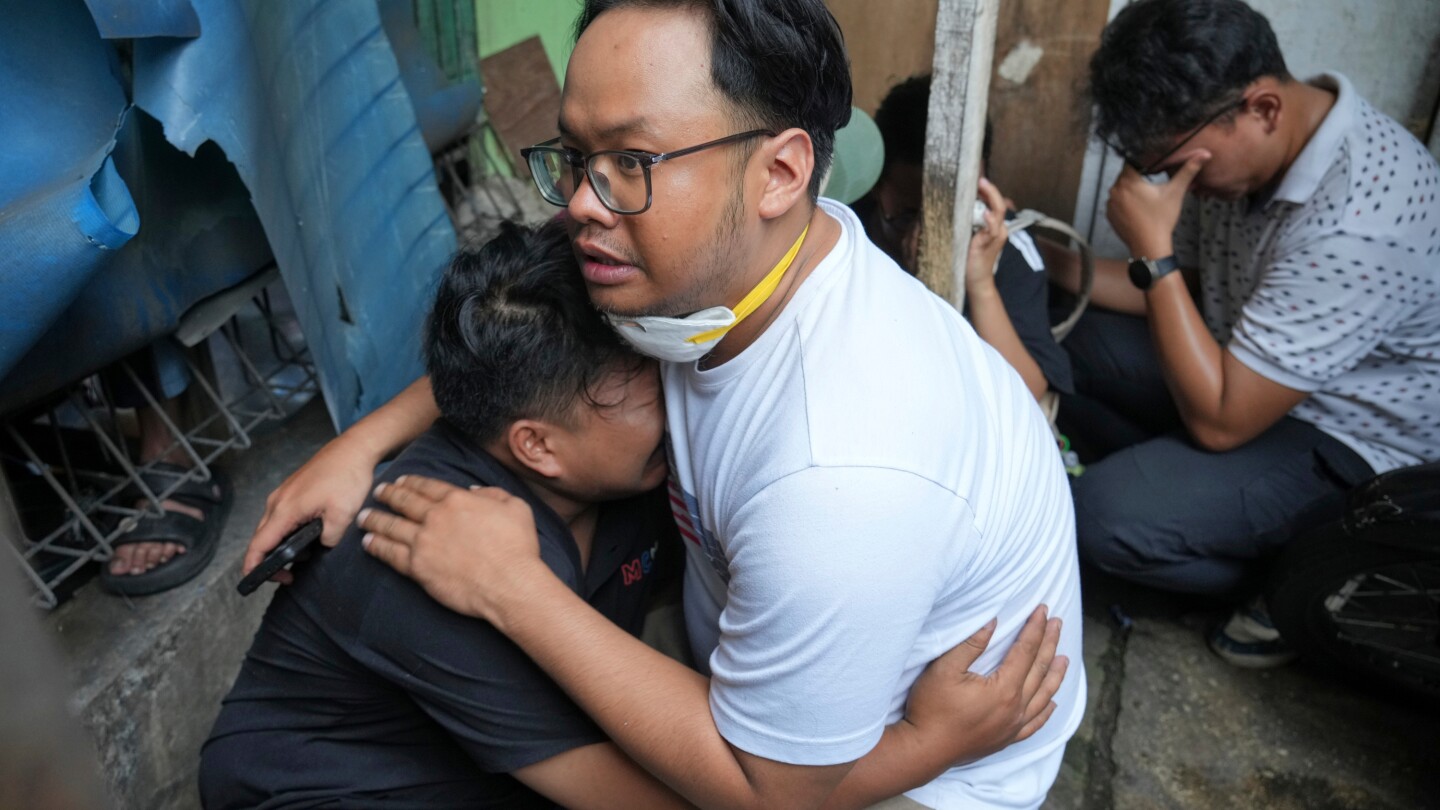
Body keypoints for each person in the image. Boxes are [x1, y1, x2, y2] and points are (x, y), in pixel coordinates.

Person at [253, 1, 1084, 807]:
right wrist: (360, 443)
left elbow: (767, 794)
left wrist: (513, 588)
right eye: (575, 156)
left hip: (887, 771)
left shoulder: (838, 480)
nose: (581, 202)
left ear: (780, 173)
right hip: (750, 668)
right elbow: (514, 340)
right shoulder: (727, 252)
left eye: (631, 160)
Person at [204, 220, 1061, 809]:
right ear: (538, 446)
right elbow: (672, 801)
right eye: (648, 382)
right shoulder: (441, 556)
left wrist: (360, 438)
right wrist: (927, 746)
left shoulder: (610, 454)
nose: (685, 387)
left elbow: (503, 366)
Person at [1046, 0, 1440, 667]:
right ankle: (1194, 500)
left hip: (1352, 438)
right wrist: (1033, 252)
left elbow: (1221, 423)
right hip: (1252, 369)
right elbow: (1193, 287)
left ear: (1263, 109)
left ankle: (1302, 586)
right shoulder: (1244, 152)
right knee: (1071, 342)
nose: (1178, 183)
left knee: (1098, 517)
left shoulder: (1362, 219)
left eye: (1181, 166)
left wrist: (1153, 250)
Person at [854, 75, 1073, 402]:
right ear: (876, 185)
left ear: (983, 187)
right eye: (909, 215)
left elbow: (1030, 391)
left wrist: (981, 285)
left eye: (955, 216)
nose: (926, 235)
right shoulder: (847, 224)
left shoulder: (1007, 248)